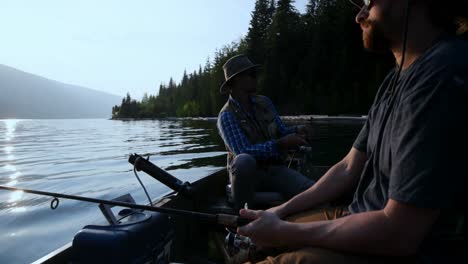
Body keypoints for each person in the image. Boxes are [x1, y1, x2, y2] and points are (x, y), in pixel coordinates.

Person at [236, 0, 467, 263]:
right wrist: (280, 211)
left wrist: (286, 233)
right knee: (254, 241)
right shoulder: (395, 79)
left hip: (403, 247)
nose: (359, 16)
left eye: (368, 2)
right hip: (361, 216)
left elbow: (400, 233)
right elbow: (348, 166)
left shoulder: (443, 75)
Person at [217, 54, 315, 210]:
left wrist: (297, 131)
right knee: (243, 161)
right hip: (248, 178)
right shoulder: (226, 116)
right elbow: (243, 151)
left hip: (275, 170)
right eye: (251, 74)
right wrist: (280, 144)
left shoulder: (265, 102)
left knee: (313, 191)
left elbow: (281, 131)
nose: (256, 78)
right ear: (236, 81)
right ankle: (241, 214)